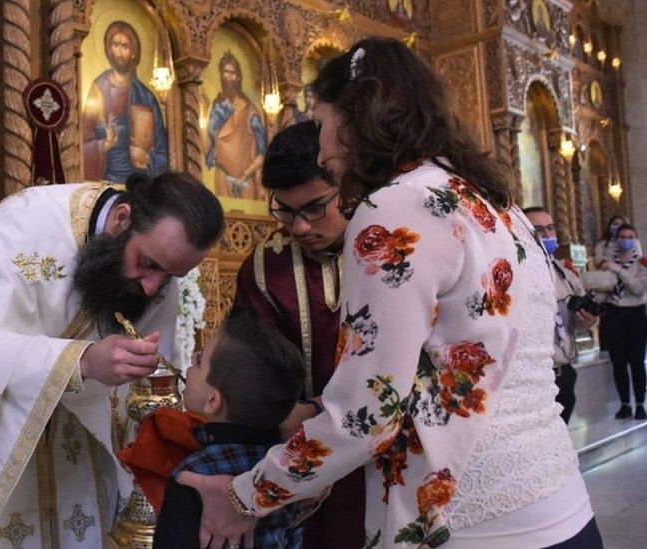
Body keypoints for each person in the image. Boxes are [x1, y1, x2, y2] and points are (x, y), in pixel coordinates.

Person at [180, 37, 602, 549]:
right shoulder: (494, 204)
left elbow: (368, 414)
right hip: (560, 502)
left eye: (323, 125)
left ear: (358, 119)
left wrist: (247, 495)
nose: (321, 149)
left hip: (473, 525)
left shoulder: (396, 208)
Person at [0, 173, 223, 548]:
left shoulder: (154, 272)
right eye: (149, 264)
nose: (152, 288)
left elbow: (146, 380)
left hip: (79, 461)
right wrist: (82, 362)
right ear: (122, 219)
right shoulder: (23, 225)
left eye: (171, 277)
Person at [233, 120, 365, 548]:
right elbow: (251, 365)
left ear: (345, 186)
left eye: (313, 208)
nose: (300, 226)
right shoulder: (264, 267)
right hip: (301, 458)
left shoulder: (386, 245)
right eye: (285, 210)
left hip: (391, 455)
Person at [153, 308, 307, 548]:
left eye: (199, 360)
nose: (190, 366)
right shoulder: (290, 467)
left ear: (212, 401)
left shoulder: (193, 477)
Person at [524, 206, 598, 423]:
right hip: (535, 374)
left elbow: (581, 314)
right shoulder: (517, 273)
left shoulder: (564, 273)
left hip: (563, 368)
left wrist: (588, 320)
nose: (547, 235)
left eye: (550, 228)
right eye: (539, 230)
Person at [82, 21, 169, 182]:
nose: (120, 52)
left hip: (141, 187)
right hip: (103, 185)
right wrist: (105, 144)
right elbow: (82, 143)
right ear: (108, 49)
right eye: (115, 45)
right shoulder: (98, 89)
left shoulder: (146, 97)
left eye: (125, 46)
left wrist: (148, 159)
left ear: (134, 53)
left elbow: (165, 155)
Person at [598, 223, 647, 420]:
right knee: (618, 362)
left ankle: (641, 404)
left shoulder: (642, 263)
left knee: (636, 362)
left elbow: (638, 288)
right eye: (622, 236)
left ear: (635, 239)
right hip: (613, 313)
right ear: (617, 240)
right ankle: (625, 404)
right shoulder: (608, 261)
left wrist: (619, 270)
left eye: (630, 236)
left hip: (635, 313)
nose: (626, 240)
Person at [206, 51, 268, 200]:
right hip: (223, 178)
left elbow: (263, 152)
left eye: (232, 73)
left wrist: (244, 176)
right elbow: (209, 148)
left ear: (238, 77)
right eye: (225, 72)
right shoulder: (216, 109)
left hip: (246, 180)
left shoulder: (249, 111)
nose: (228, 77)